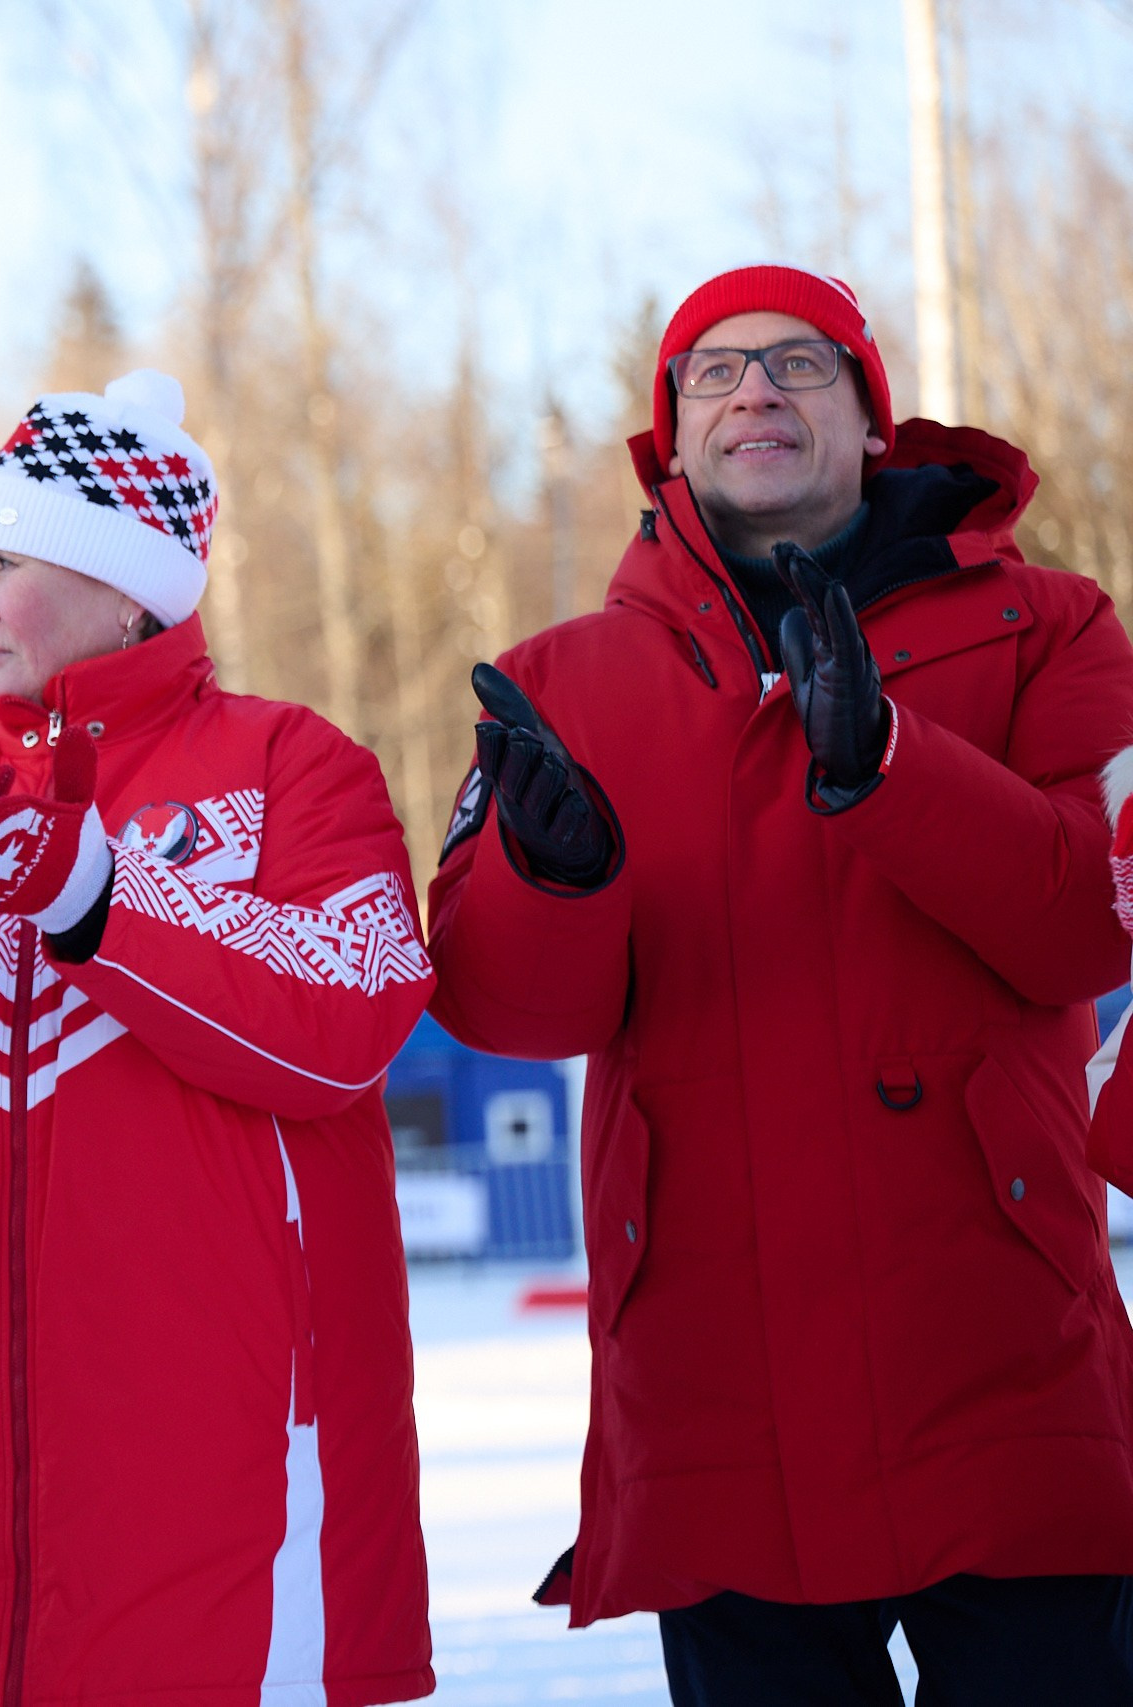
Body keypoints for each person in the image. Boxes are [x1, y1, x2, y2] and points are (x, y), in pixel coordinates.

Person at [425, 265, 1133, 1705]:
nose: (755, 389)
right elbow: (504, 1012)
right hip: (712, 1390)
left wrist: (893, 767)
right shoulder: (562, 680)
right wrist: (552, 879)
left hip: (1003, 1348)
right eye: (714, 370)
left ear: (873, 419)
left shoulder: (1051, 628)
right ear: (670, 439)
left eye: (801, 363)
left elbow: (1088, 930)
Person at [0, 369, 437, 1705]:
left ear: (125, 584)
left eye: (4, 564)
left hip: (226, 1516)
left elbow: (354, 1005)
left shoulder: (290, 765)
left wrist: (108, 899)